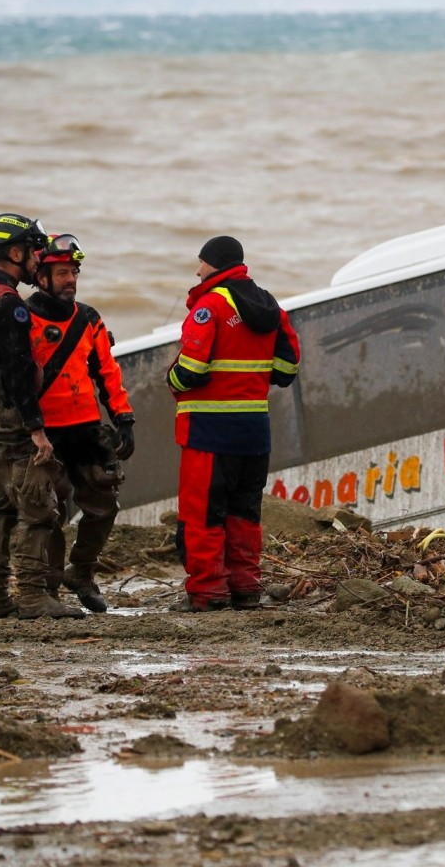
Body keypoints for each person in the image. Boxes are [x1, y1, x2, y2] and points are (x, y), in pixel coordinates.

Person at [0, 213, 84, 620]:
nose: (38, 260)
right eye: (33, 251)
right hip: (15, 423)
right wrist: (37, 430)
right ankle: (30, 596)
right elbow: (19, 373)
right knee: (37, 510)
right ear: (14, 252)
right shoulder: (11, 306)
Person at [166, 235, 300, 611]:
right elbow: (289, 367)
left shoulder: (210, 305)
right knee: (245, 512)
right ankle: (246, 588)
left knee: (203, 514)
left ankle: (208, 593)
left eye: (202, 262)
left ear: (218, 264)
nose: (197, 270)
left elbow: (190, 369)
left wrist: (171, 381)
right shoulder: (270, 305)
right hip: (254, 430)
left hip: (208, 431)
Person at [26, 232, 135, 613]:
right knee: (49, 512)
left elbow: (108, 372)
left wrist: (123, 419)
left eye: (74, 271)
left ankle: (82, 572)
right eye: (62, 273)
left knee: (104, 506)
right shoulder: (23, 319)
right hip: (44, 435)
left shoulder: (89, 318)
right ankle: (50, 587)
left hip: (87, 429)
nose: (71, 279)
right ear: (41, 276)